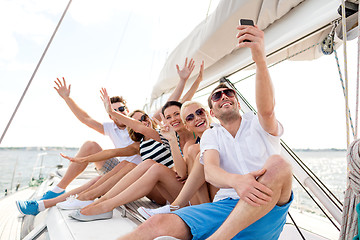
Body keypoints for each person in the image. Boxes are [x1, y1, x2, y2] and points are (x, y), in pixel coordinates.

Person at [117, 24, 293, 240]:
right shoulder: (212, 135)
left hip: (266, 205)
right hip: (224, 207)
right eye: (217, 97)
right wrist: (237, 182)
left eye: (228, 93)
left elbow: (267, 109)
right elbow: (210, 171)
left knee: (279, 164)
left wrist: (260, 60)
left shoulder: (259, 123)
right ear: (212, 111)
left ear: (237, 101)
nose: (224, 97)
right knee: (156, 223)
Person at [15, 58, 203, 215]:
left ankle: (84, 201)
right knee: (105, 158)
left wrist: (186, 80)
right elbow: (99, 135)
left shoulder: (154, 129)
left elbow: (174, 105)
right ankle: (60, 193)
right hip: (126, 172)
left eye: (121, 110)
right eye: (114, 112)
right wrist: (83, 158)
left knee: (122, 169)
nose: (142, 122)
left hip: (138, 174)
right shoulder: (121, 132)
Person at [137, 101, 218, 219]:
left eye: (199, 112)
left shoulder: (217, 132)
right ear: (187, 125)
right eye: (190, 118)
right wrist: (172, 140)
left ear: (207, 113)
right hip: (203, 194)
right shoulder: (189, 145)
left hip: (220, 188)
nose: (197, 118)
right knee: (153, 166)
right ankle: (203, 211)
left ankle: (175, 206)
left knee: (196, 151)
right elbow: (181, 174)